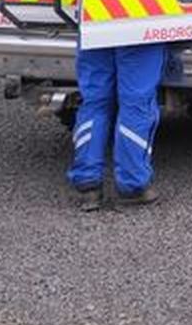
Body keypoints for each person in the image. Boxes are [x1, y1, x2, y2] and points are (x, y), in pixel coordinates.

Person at [66, 43, 167, 210]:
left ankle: (87, 184)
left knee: (94, 102)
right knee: (136, 103)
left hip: (95, 26)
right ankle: (132, 185)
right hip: (140, 27)